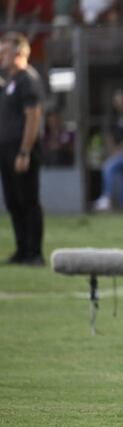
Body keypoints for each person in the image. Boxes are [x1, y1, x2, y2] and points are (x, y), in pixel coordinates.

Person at [0, 32, 45, 266]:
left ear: (19, 53)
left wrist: (25, 151)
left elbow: (33, 116)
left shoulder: (27, 79)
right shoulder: (10, 81)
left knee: (28, 201)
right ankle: (22, 250)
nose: (1, 56)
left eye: (4, 52)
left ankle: (35, 253)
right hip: (6, 150)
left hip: (22, 150)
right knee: (13, 202)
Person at [94, 89, 123, 211]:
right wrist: (113, 149)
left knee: (108, 166)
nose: (120, 102)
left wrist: (120, 150)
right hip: (116, 152)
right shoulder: (112, 116)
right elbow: (108, 135)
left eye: (122, 99)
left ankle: (106, 197)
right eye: (117, 100)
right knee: (121, 173)